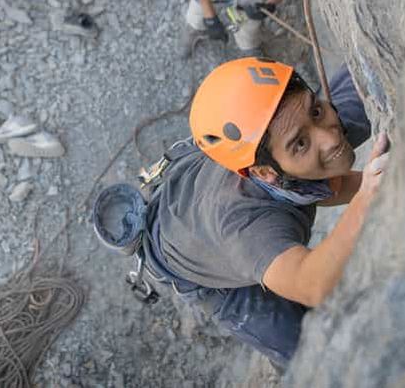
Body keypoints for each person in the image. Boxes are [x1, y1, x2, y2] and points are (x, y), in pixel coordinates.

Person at [141, 57, 390, 370]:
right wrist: (366, 199)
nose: (330, 136)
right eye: (300, 143)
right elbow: (311, 284)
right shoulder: (246, 226)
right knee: (316, 360)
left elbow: (327, 186)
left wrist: (386, 182)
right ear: (264, 172)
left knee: (351, 109)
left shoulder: (292, 142)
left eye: (316, 109)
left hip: (215, 185)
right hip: (203, 266)